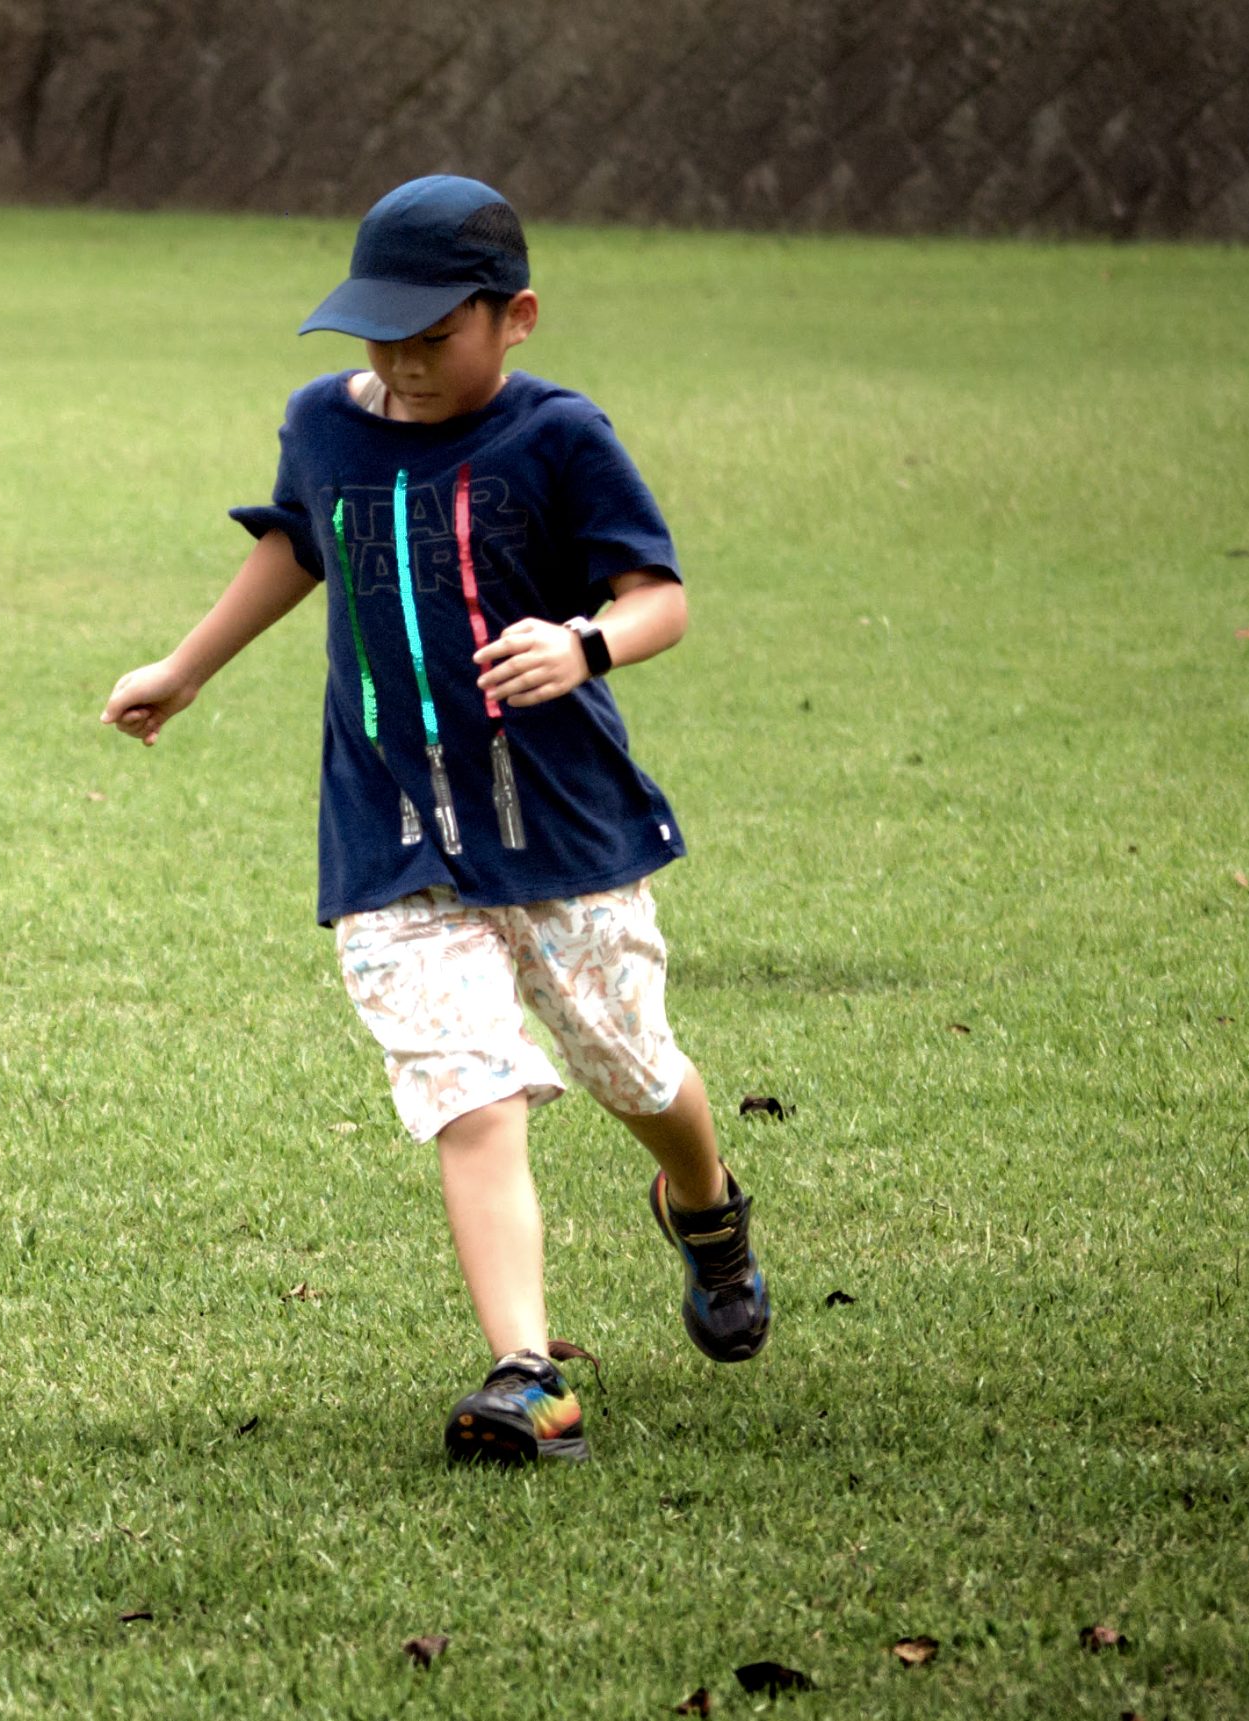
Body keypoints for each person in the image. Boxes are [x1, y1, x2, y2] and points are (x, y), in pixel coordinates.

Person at [100, 177, 767, 1464]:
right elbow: (300, 545)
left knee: (628, 1065)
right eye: (378, 336)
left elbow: (658, 597)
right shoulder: (323, 425)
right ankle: (527, 1371)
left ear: (514, 317)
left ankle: (705, 1204)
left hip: (557, 825)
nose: (400, 365)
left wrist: (583, 644)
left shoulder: (562, 436)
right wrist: (185, 667)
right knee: (471, 1090)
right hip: (389, 832)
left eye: (432, 336)